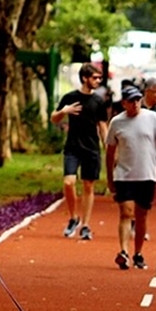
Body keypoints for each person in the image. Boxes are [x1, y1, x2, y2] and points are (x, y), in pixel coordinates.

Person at [105, 85, 156, 270]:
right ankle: (123, 252)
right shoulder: (117, 122)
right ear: (124, 103)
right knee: (126, 213)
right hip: (124, 175)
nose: (135, 104)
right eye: (131, 101)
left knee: (141, 216)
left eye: (137, 100)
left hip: (146, 175)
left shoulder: (153, 118)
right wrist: (110, 178)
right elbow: (110, 153)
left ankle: (138, 253)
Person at [50, 62, 110, 241]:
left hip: (91, 148)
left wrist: (108, 148)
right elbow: (54, 118)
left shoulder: (99, 101)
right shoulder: (70, 97)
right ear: (85, 78)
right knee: (68, 183)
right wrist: (64, 111)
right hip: (73, 147)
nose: (98, 81)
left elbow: (103, 126)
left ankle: (85, 225)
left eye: (99, 78)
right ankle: (73, 217)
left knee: (88, 186)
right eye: (95, 78)